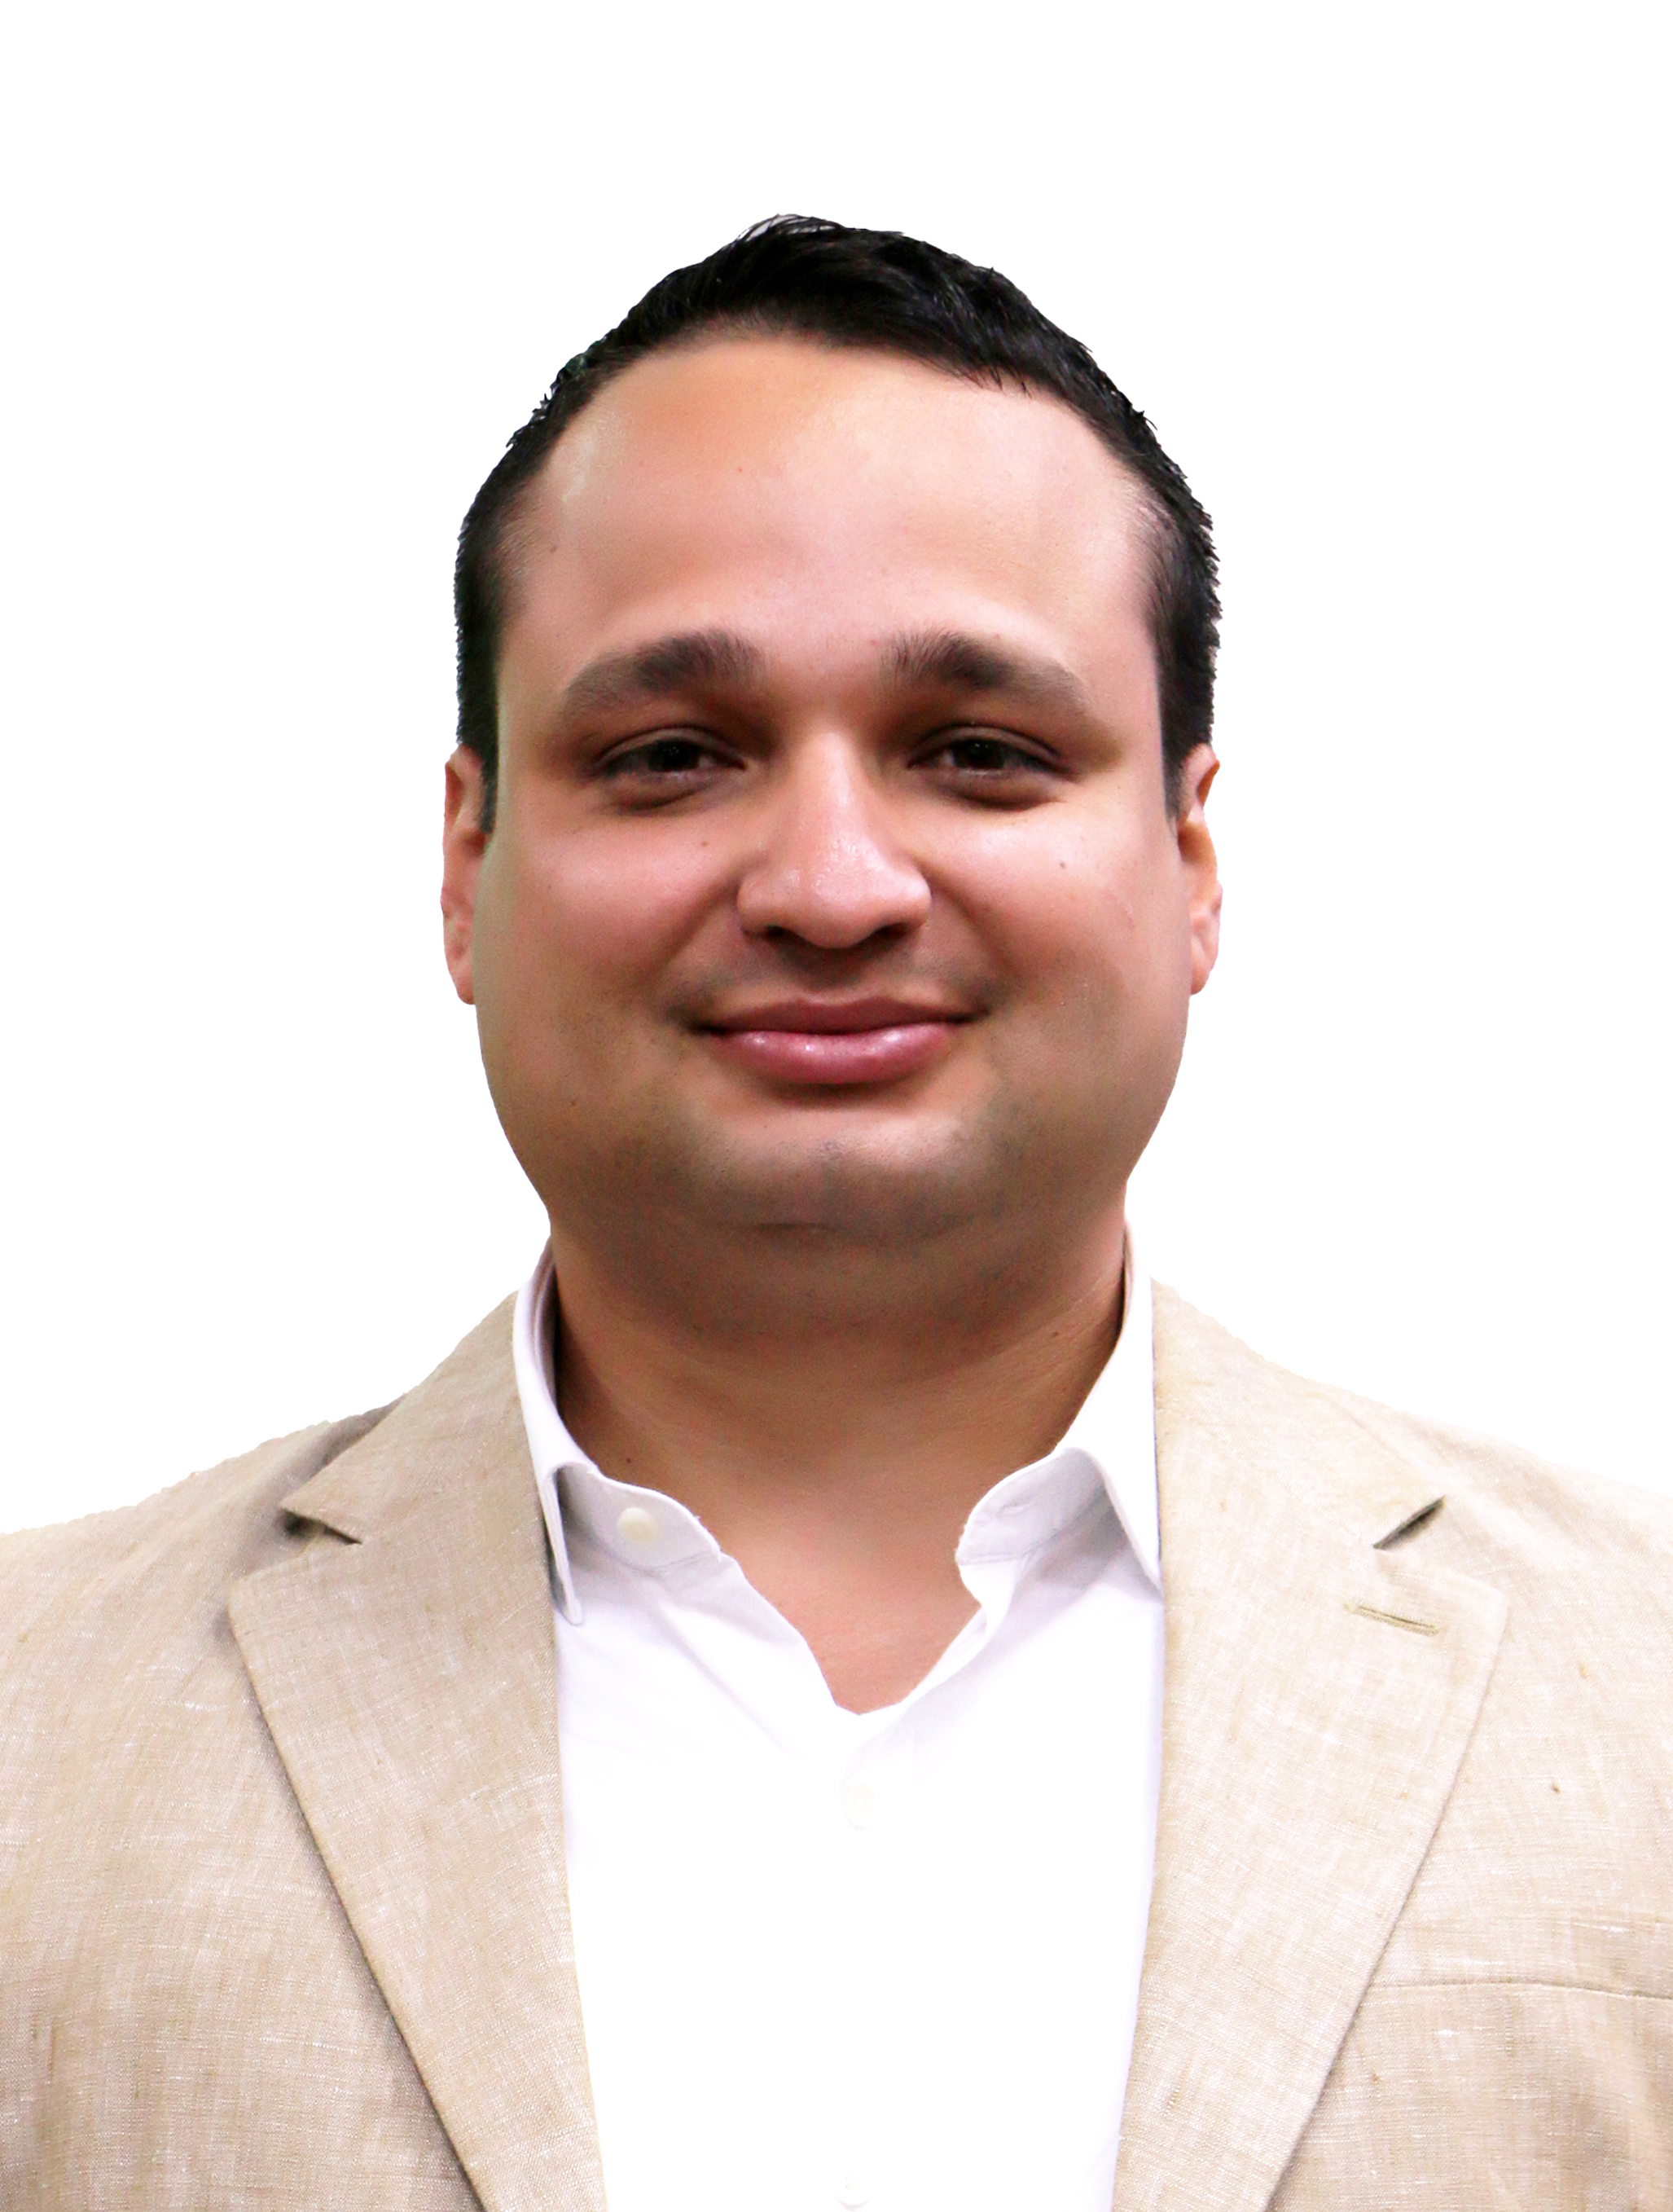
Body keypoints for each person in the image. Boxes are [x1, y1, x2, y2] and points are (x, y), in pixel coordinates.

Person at [2, 218, 1669, 2212]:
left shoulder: (1634, 1686)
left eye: (979, 752)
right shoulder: (36, 1722)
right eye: (670, 756)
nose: (829, 884)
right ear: (467, 859)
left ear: (1191, 856)